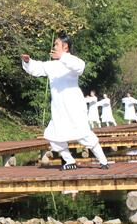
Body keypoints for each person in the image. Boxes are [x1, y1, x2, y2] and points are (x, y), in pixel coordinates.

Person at [21, 33, 109, 170]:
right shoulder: (51, 65)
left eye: (56, 44)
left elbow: (80, 67)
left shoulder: (72, 62)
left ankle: (103, 161)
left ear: (65, 46)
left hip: (73, 105)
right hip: (58, 107)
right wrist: (27, 62)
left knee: (83, 133)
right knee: (53, 134)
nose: (54, 46)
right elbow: (37, 68)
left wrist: (62, 57)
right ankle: (69, 161)